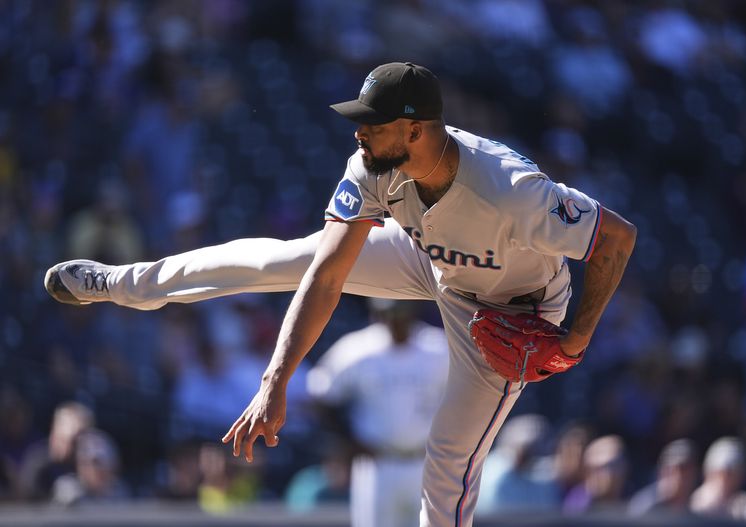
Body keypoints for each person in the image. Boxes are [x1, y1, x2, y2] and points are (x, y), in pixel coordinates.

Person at [44, 62, 636, 526]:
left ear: (415, 130)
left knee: (449, 462)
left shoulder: (510, 190)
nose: (359, 132)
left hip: (512, 306)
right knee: (283, 258)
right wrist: (275, 381)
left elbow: (616, 238)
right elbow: (326, 275)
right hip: (431, 258)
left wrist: (576, 339)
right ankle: (122, 283)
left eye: (373, 123)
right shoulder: (371, 165)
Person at [307, 299, 448, 527]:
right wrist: (350, 441)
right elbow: (321, 396)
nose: (395, 320)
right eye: (388, 314)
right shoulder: (358, 348)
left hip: (427, 461)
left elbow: (465, 396)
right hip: (377, 462)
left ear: (412, 313)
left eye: (400, 314)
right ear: (376, 314)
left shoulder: (437, 347)